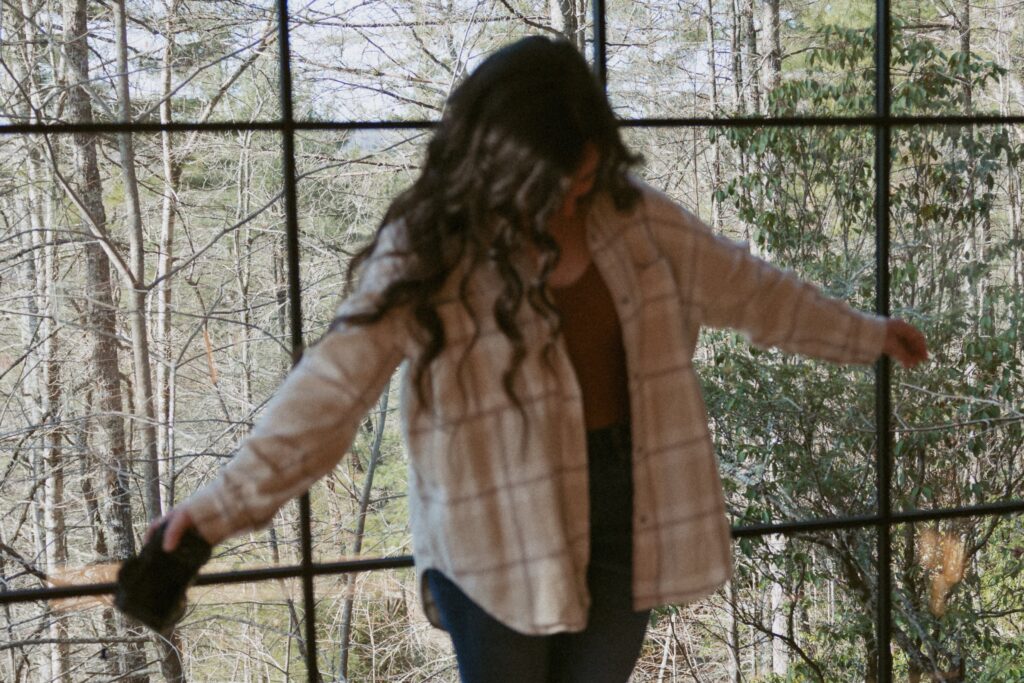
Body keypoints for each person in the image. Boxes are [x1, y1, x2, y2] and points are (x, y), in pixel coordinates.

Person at [148, 36, 928, 682]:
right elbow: (327, 395)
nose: (566, 208)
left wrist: (867, 333)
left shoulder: (638, 222)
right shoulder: (430, 251)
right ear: (494, 171)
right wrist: (215, 512)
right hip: (491, 525)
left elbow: (756, 293)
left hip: (629, 504)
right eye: (545, 191)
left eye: (583, 183)